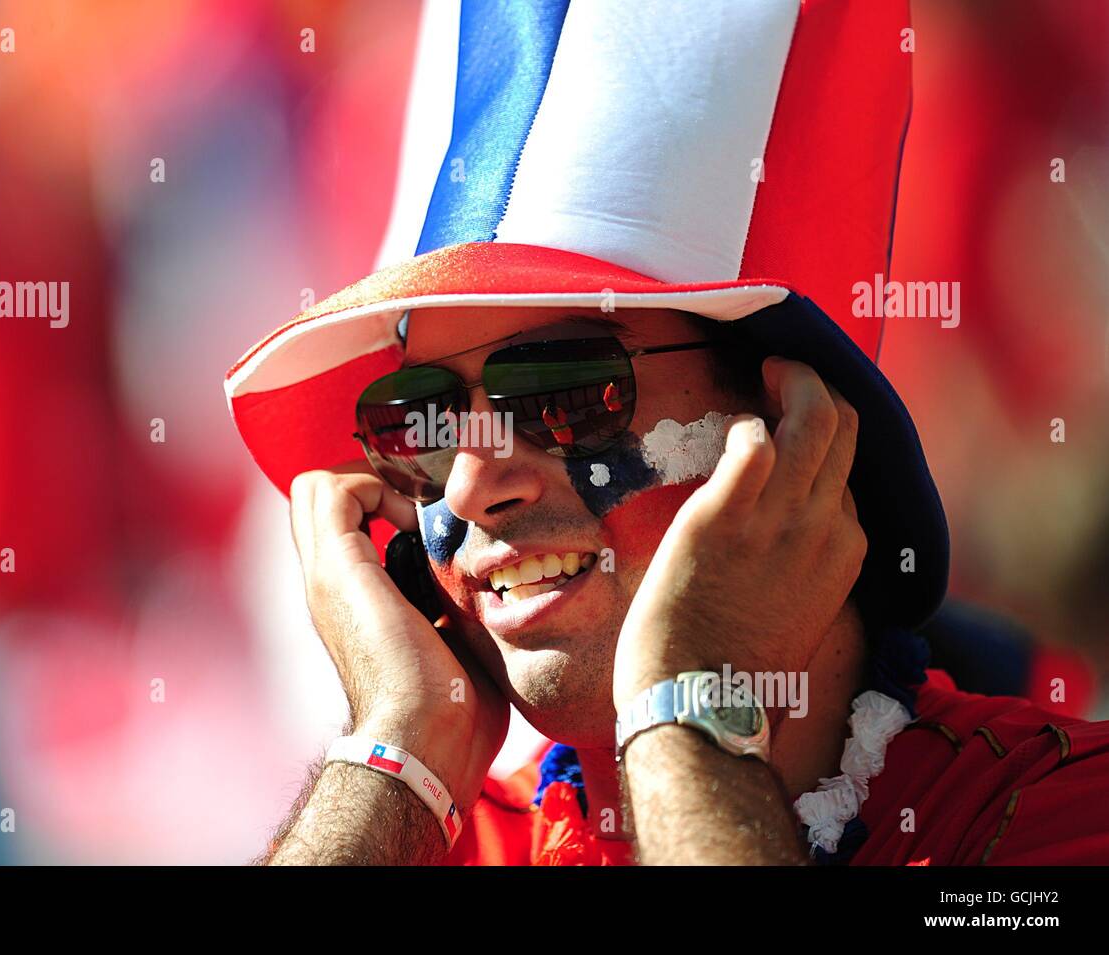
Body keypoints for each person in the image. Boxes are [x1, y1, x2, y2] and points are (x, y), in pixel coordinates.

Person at [225, 0, 1109, 865]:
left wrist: (692, 714)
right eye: (423, 418)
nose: (468, 485)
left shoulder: (1054, 816)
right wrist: (392, 749)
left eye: (562, 392)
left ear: (789, 425)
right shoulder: (424, 837)